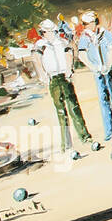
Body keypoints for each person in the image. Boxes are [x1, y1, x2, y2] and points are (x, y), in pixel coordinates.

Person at [31, 19, 92, 151]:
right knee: (60, 111)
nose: (52, 33)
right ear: (43, 32)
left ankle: (84, 136)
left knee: (74, 107)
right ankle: (66, 143)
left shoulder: (62, 42)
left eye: (53, 31)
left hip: (64, 76)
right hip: (53, 78)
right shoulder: (40, 45)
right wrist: (43, 75)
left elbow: (69, 54)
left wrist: (69, 69)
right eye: (49, 31)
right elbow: (36, 60)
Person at [75, 11, 112, 140]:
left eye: (90, 23)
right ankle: (109, 132)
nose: (89, 26)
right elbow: (82, 55)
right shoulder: (84, 38)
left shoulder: (105, 33)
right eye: (86, 24)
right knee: (103, 100)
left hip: (109, 69)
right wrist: (94, 67)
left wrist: (108, 64)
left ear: (95, 22)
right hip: (98, 72)